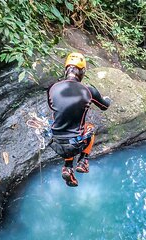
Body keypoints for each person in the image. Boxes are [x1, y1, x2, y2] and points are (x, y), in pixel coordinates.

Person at [47, 52, 111, 187]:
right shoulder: (88, 91)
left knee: (63, 124)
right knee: (90, 128)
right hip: (74, 144)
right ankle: (83, 161)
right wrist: (107, 99)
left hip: (55, 142)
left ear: (66, 70)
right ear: (82, 72)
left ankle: (68, 167)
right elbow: (104, 106)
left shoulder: (52, 88)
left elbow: (53, 106)